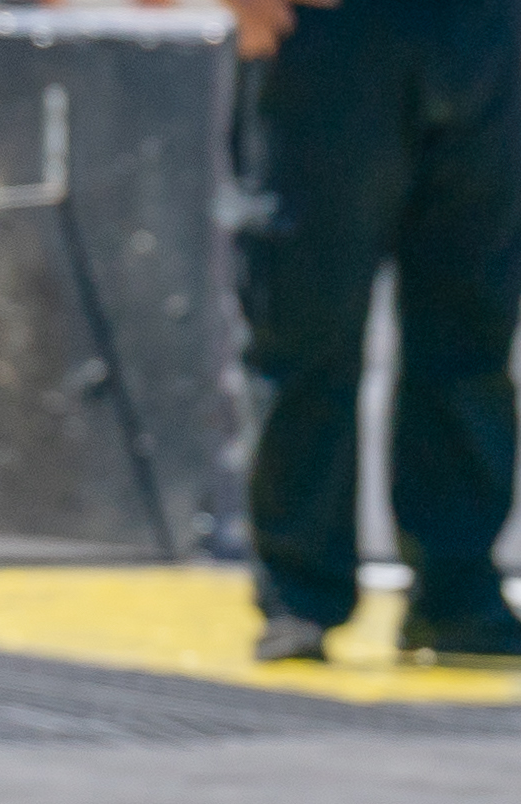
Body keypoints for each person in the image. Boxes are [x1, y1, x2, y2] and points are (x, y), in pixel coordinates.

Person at [231, 0, 521, 662]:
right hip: (327, 26)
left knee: (471, 327)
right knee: (305, 323)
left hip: (482, 27)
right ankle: (299, 594)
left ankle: (458, 592)